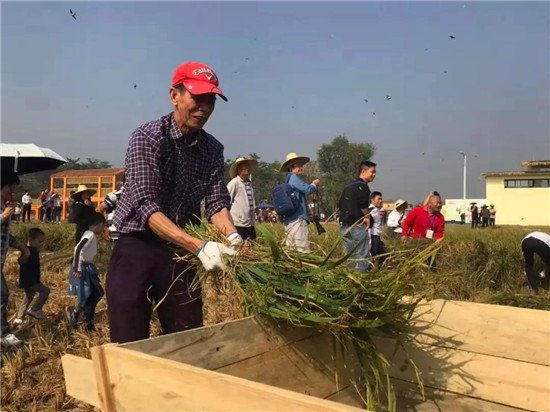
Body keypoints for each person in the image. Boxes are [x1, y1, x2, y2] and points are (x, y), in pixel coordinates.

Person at [107, 61, 242, 344]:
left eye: (210, 101)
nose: (204, 108)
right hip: (138, 246)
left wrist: (232, 236)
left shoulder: (212, 148)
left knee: (187, 337)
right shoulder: (148, 137)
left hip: (180, 253)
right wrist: (199, 246)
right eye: (197, 98)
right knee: (130, 340)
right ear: (174, 96)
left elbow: (216, 201)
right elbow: (146, 205)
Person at [1, 173, 30, 347]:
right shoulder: (3, 210)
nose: (11, 191)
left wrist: (20, 246)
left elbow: (5, 235)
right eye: (9, 187)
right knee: (2, 294)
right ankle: (3, 333)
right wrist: (3, 216)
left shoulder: (4, 206)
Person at [67, 213, 106, 331]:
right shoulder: (90, 235)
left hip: (87, 267)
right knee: (94, 294)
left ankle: (82, 318)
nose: (103, 229)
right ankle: (83, 320)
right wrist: (77, 268)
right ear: (99, 224)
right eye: (103, 226)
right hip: (83, 269)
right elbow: (78, 249)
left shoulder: (88, 234)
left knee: (92, 294)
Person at [338, 161, 377, 272]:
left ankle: (350, 276)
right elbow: (363, 205)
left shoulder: (348, 187)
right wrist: (367, 217)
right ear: (363, 172)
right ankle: (361, 277)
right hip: (357, 225)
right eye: (372, 172)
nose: (374, 174)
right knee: (361, 255)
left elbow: (340, 204)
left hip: (344, 226)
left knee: (349, 255)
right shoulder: (363, 187)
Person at [279, 152, 320, 253]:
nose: (301, 168)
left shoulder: (287, 179)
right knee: (302, 249)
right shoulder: (294, 178)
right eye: (298, 165)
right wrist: (314, 184)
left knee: (291, 250)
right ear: (291, 167)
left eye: (301, 165)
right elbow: (307, 189)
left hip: (289, 220)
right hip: (298, 219)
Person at [13, 228, 50, 324]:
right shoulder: (27, 252)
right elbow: (21, 261)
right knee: (45, 291)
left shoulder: (33, 250)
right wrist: (24, 258)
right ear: (30, 239)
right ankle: (35, 309)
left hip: (29, 280)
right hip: (31, 281)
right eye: (39, 242)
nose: (41, 244)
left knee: (28, 297)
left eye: (42, 242)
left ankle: (19, 318)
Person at [227, 157, 258, 240]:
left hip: (250, 223)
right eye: (244, 166)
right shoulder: (234, 183)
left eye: (247, 166)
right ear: (238, 169)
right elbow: (227, 201)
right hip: (238, 224)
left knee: (252, 244)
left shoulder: (249, 184)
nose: (247, 168)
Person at [96, 181, 124, 246]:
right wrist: (104, 228)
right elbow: (99, 209)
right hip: (115, 235)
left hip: (130, 236)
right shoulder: (116, 195)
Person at [369, 191, 387, 267]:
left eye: (381, 199)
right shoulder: (371, 210)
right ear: (372, 200)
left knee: (382, 253)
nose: (381, 201)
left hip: (377, 235)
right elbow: (368, 225)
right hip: (373, 236)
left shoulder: (377, 210)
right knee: (375, 255)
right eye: (378, 199)